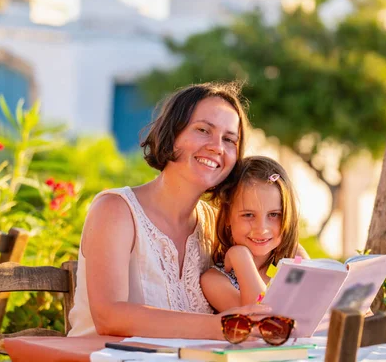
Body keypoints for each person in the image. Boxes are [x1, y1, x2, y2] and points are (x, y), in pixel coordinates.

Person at [67, 82, 271, 339]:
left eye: (229, 139)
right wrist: (221, 327)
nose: (217, 146)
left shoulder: (214, 224)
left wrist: (292, 255)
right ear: (172, 133)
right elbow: (109, 316)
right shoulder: (116, 209)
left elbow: (261, 295)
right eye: (203, 130)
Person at [200, 156, 301, 312]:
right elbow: (260, 318)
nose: (261, 229)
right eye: (248, 215)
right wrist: (242, 259)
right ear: (227, 216)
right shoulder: (214, 281)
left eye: (274, 214)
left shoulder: (294, 260)